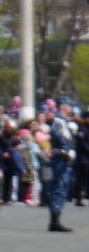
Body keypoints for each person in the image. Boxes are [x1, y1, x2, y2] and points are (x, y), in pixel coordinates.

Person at [45, 98, 77, 233]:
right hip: (61, 158)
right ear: (63, 106)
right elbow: (58, 136)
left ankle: (56, 219)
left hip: (64, 158)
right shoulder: (58, 120)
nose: (71, 108)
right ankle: (54, 221)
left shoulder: (64, 120)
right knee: (59, 187)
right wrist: (65, 149)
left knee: (62, 188)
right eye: (70, 106)